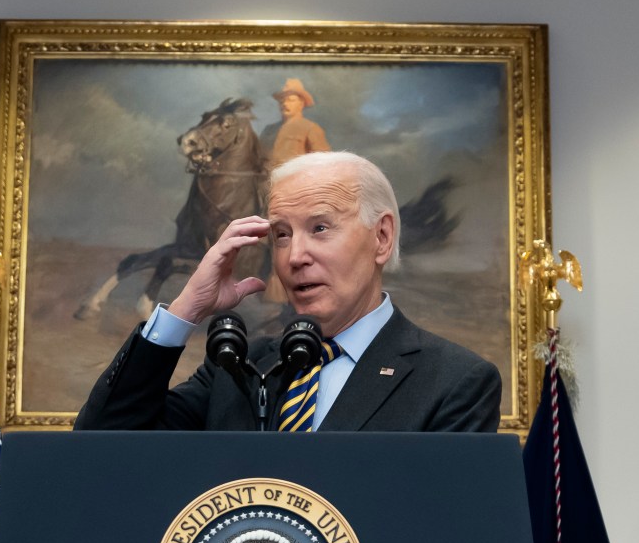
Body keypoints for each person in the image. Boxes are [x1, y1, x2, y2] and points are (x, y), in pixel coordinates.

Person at [74, 151, 501, 432]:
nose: (295, 256)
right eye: (280, 235)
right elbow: (103, 440)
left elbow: (445, 538)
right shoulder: (237, 367)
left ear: (382, 238)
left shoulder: (454, 381)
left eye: (319, 228)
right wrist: (186, 309)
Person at [266, 78, 331, 165]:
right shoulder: (269, 130)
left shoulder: (310, 128)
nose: (285, 104)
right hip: (268, 177)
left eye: (290, 100)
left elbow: (323, 163)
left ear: (301, 104)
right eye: (282, 101)